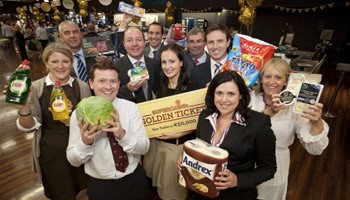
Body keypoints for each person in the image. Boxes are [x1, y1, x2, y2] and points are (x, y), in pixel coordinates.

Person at [3, 42, 90, 199]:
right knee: (60, 191)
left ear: (72, 63)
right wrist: (23, 107)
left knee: (84, 187)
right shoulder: (35, 88)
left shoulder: (82, 87)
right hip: (50, 153)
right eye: (54, 61)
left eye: (65, 61)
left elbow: (89, 123)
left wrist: (70, 119)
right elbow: (29, 127)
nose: (61, 66)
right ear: (46, 63)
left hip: (79, 147)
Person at [179, 70, 277, 199]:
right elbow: (199, 148)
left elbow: (268, 169)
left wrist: (238, 180)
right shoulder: (205, 116)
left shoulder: (258, 123)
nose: (224, 100)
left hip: (236, 195)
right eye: (219, 93)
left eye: (231, 94)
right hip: (200, 193)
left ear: (241, 95)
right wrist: (187, 160)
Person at [66, 60, 150, 200]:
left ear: (118, 84)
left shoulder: (131, 108)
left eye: (113, 81)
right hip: (100, 186)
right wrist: (85, 142)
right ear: (91, 83)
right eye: (102, 81)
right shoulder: (80, 114)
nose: (108, 87)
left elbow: (144, 147)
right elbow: (73, 160)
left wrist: (122, 135)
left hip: (134, 180)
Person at [249, 58, 329, 200]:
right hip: (245, 164)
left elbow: (314, 149)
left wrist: (316, 122)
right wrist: (270, 112)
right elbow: (243, 131)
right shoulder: (250, 99)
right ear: (260, 79)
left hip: (275, 167)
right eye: (267, 76)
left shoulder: (294, 108)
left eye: (278, 77)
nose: (271, 82)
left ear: (286, 81)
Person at [143, 44, 197, 200]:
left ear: (181, 62)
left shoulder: (191, 89)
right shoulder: (156, 87)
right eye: (164, 62)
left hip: (177, 149)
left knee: (174, 193)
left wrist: (177, 133)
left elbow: (196, 122)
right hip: (156, 146)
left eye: (172, 61)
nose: (167, 66)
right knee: (157, 190)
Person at [116, 26, 157, 103]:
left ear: (145, 43)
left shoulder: (154, 64)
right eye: (129, 40)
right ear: (124, 44)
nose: (135, 44)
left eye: (138, 40)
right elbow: (111, 95)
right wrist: (128, 89)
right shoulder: (115, 68)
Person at [190, 24, 231, 89]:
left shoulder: (239, 69)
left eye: (220, 41)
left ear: (228, 43)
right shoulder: (197, 71)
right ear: (206, 44)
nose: (215, 46)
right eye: (211, 42)